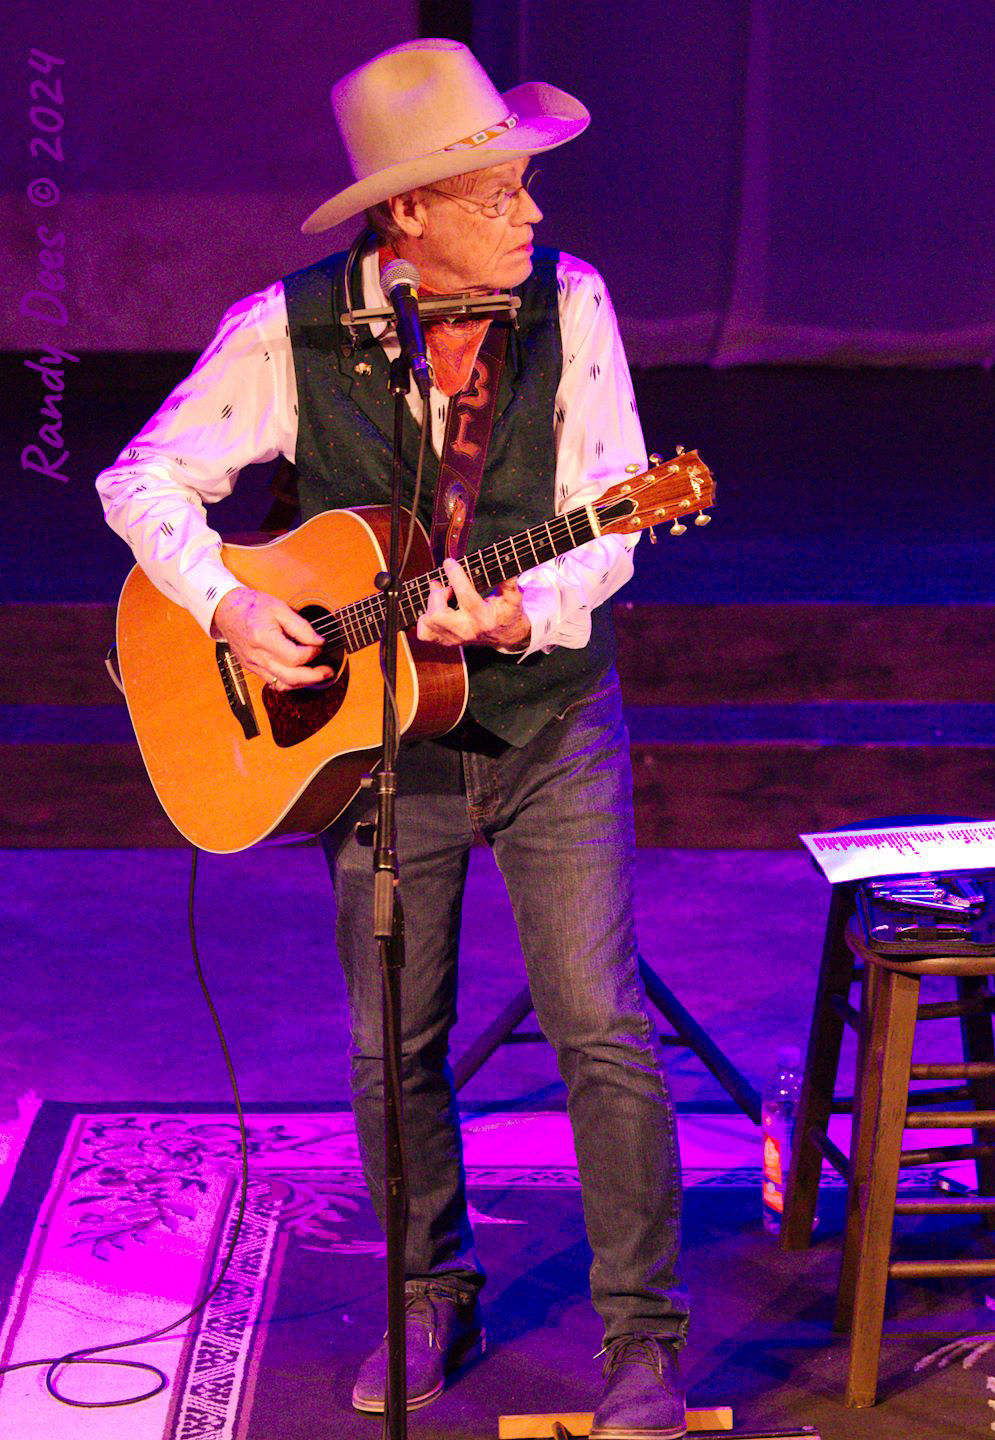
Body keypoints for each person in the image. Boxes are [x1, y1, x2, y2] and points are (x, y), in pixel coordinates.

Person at [96, 40, 688, 1438]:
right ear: (408, 213)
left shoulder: (574, 305)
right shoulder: (288, 330)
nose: (533, 217)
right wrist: (233, 603)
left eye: (528, 191)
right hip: (378, 748)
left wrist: (523, 612)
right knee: (389, 1042)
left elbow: (612, 510)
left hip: (548, 724)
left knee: (601, 1023)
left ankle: (644, 1338)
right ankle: (430, 1288)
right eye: (499, 195)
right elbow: (143, 478)